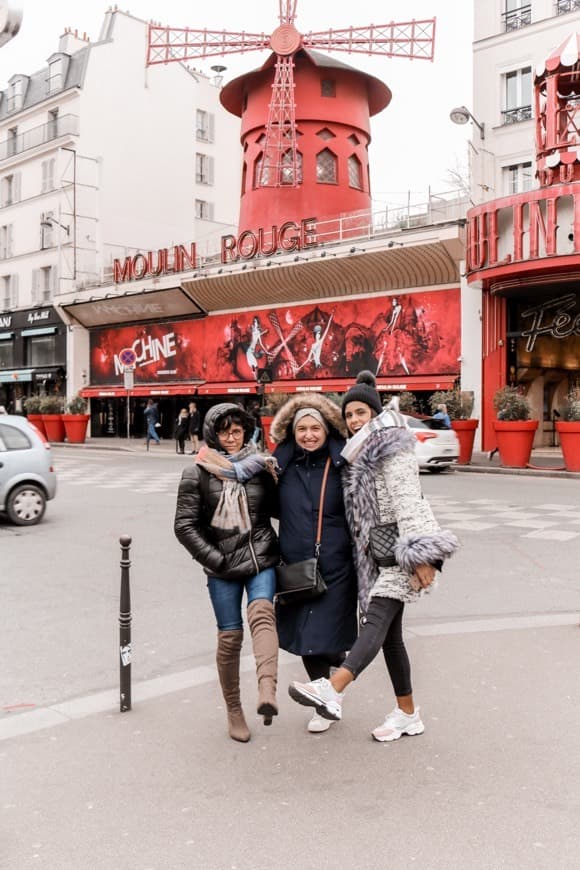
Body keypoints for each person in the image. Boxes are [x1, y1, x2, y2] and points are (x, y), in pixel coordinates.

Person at [288, 372, 459, 741]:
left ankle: (332, 688)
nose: (354, 420)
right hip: (379, 557)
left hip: (402, 551)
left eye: (361, 412)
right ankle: (408, 714)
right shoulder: (360, 452)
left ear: (375, 413)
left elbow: (408, 502)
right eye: (348, 414)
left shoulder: (388, 447)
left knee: (376, 621)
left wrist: (421, 556)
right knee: (390, 639)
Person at [174, 403, 280, 743]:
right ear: (212, 434)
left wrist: (278, 479)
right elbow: (184, 526)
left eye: (237, 431)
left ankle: (267, 691)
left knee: (263, 613)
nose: (232, 438)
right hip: (221, 566)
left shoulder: (260, 466)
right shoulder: (198, 472)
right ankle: (234, 709)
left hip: (260, 555)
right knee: (231, 637)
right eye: (224, 432)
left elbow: (278, 510)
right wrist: (216, 561)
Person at [270, 394, 358, 734]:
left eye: (315, 428)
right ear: (292, 432)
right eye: (301, 428)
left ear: (327, 430)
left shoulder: (343, 465)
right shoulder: (282, 467)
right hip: (296, 566)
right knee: (306, 637)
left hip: (336, 564)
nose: (308, 434)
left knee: (327, 635)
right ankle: (326, 697)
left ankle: (328, 693)